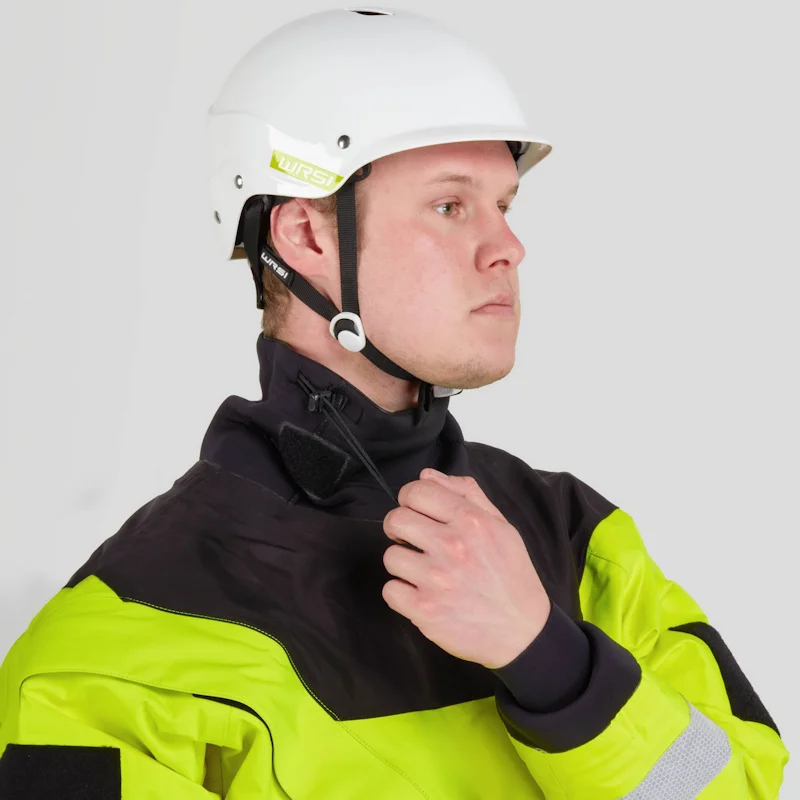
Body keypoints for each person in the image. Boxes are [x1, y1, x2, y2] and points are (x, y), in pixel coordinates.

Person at [0, 7, 788, 799]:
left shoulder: (581, 542)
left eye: (504, 205)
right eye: (451, 206)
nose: (508, 248)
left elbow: (742, 786)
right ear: (306, 235)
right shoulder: (107, 651)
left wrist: (551, 661)